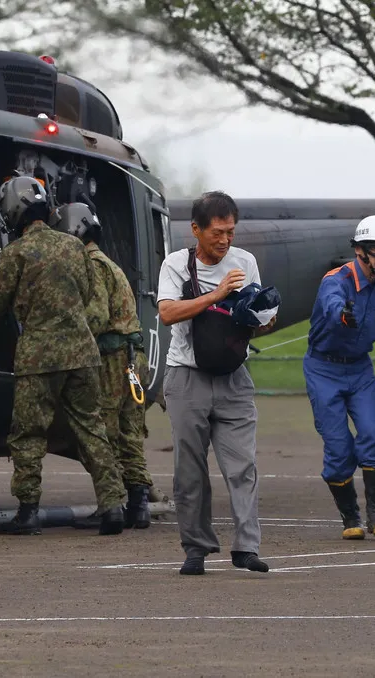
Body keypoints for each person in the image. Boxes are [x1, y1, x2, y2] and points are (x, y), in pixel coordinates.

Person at [0, 176, 126, 536]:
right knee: (92, 429)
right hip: (83, 354)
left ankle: (28, 510)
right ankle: (113, 506)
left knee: (29, 433)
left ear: (14, 212)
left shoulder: (16, 253)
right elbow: (86, 295)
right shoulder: (73, 247)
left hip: (39, 358)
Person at [157, 190, 276, 576]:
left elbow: (254, 318)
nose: (225, 240)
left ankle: (246, 547)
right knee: (190, 469)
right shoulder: (175, 265)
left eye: (230, 232)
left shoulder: (246, 262)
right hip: (186, 376)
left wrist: (261, 317)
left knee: (243, 465)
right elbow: (168, 313)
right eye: (217, 232)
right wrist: (218, 294)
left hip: (234, 376)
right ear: (196, 230)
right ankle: (196, 548)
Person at [50, 202, 153, 530]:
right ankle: (139, 505)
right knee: (130, 434)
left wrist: (61, 336)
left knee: (101, 433)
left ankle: (113, 504)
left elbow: (95, 315)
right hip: (133, 359)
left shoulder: (91, 265)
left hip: (111, 361)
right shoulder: (110, 264)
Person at [304, 215, 375, 540]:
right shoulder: (335, 280)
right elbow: (333, 305)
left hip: (360, 369)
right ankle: (350, 517)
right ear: (360, 250)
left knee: (372, 436)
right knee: (338, 447)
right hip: (323, 369)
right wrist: (342, 315)